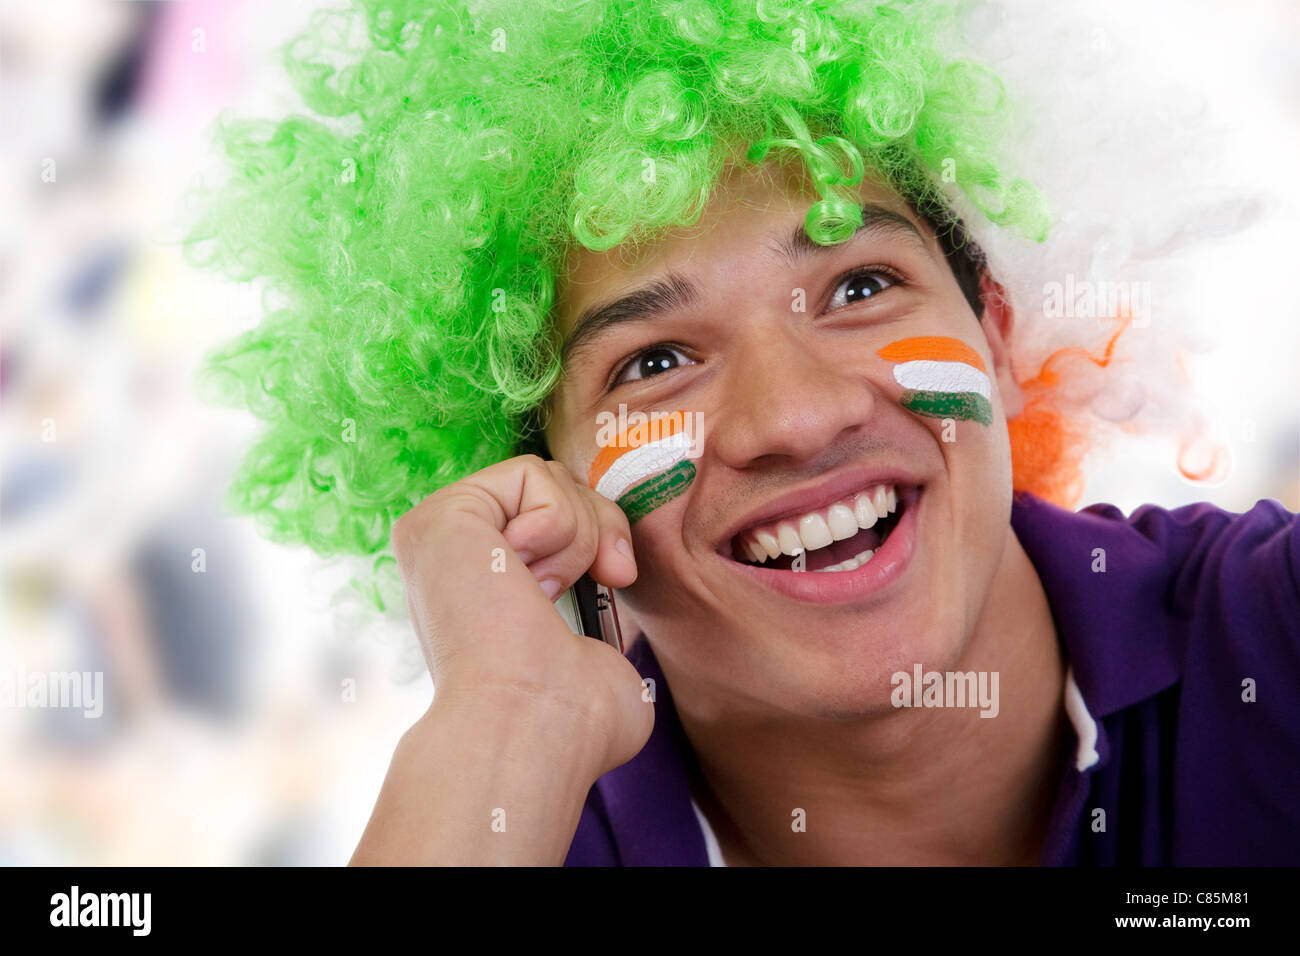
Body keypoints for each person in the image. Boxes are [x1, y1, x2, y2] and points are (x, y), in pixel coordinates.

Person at [188, 0, 1300, 865]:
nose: (796, 415)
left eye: (860, 284)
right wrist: (506, 717)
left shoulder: (1271, 636)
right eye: (655, 361)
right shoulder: (519, 826)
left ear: (1001, 340)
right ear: (544, 491)